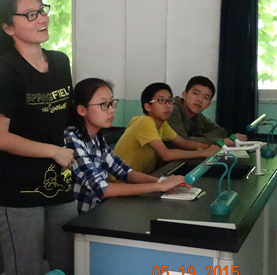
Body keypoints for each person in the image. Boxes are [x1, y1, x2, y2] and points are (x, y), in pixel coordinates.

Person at [0, 0, 75, 275]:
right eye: (31, 14)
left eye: (42, 10)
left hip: (59, 185)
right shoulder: (3, 72)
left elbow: (65, 121)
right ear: (9, 27)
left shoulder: (61, 63)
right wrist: (53, 151)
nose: (42, 18)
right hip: (17, 194)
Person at [64, 78, 188, 214]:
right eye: (104, 104)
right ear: (82, 110)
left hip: (100, 211)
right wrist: (158, 186)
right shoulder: (72, 138)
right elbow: (102, 188)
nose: (111, 110)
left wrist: (162, 182)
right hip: (80, 218)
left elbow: (125, 171)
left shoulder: (97, 138)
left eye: (111, 103)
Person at [114, 82, 219, 175]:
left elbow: (184, 143)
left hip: (138, 179)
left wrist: (213, 148)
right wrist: (202, 153)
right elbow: (166, 154)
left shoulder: (162, 125)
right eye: (161, 100)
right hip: (119, 182)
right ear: (148, 107)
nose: (168, 105)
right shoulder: (144, 122)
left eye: (170, 101)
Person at [168, 76, 248, 147]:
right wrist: (222, 142)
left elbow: (221, 131)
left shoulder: (197, 115)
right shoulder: (171, 110)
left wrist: (200, 139)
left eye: (205, 97)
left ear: (208, 105)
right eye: (196, 93)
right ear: (184, 95)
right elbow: (183, 142)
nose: (199, 100)